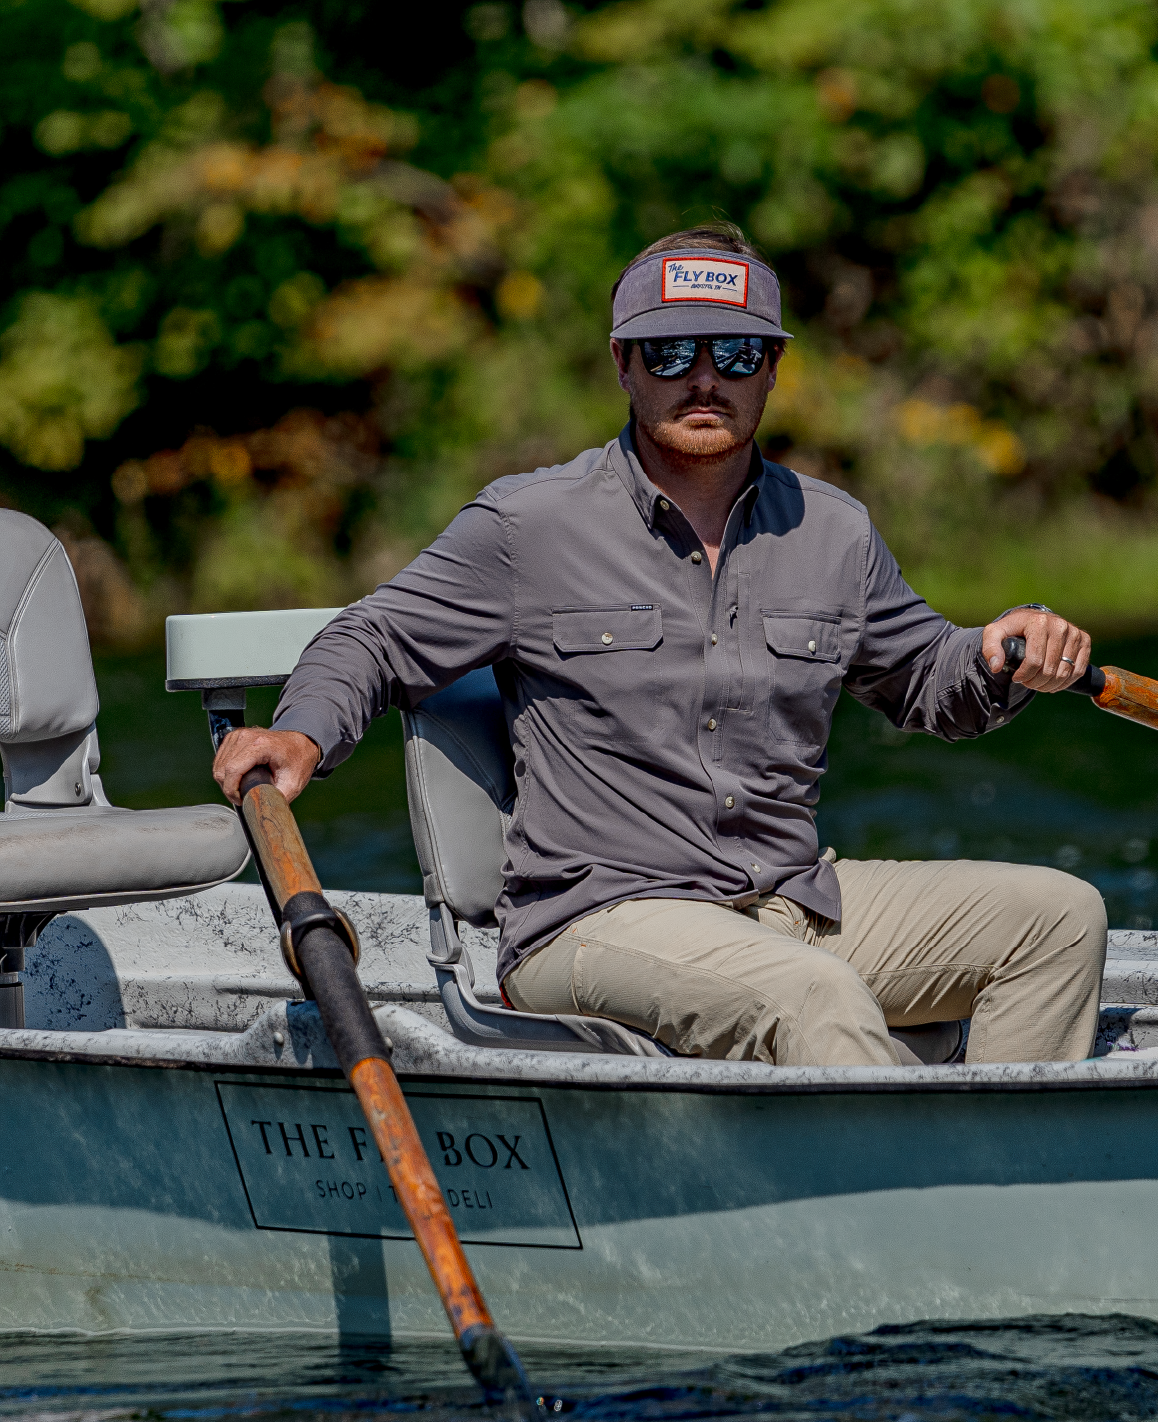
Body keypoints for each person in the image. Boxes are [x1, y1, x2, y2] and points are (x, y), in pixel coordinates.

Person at [214, 223, 1107, 1068]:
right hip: (594, 922)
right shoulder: (529, 525)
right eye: (672, 353)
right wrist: (301, 736)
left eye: (737, 354)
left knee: (1059, 917)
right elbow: (372, 636)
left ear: (773, 367)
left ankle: (1003, 1192)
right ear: (623, 365)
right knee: (814, 997)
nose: (704, 379)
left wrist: (998, 651)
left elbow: (926, 681)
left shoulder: (834, 530)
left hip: (789, 901)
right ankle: (897, 1220)